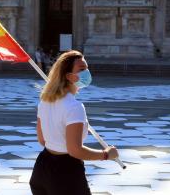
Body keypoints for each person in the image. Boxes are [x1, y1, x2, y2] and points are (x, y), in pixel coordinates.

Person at [30, 50, 119, 195]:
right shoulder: (74, 107)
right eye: (82, 69)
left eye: (87, 68)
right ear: (69, 76)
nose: (87, 72)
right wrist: (106, 154)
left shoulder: (45, 101)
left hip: (42, 169)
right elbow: (75, 150)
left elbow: (42, 140)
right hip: (65, 173)